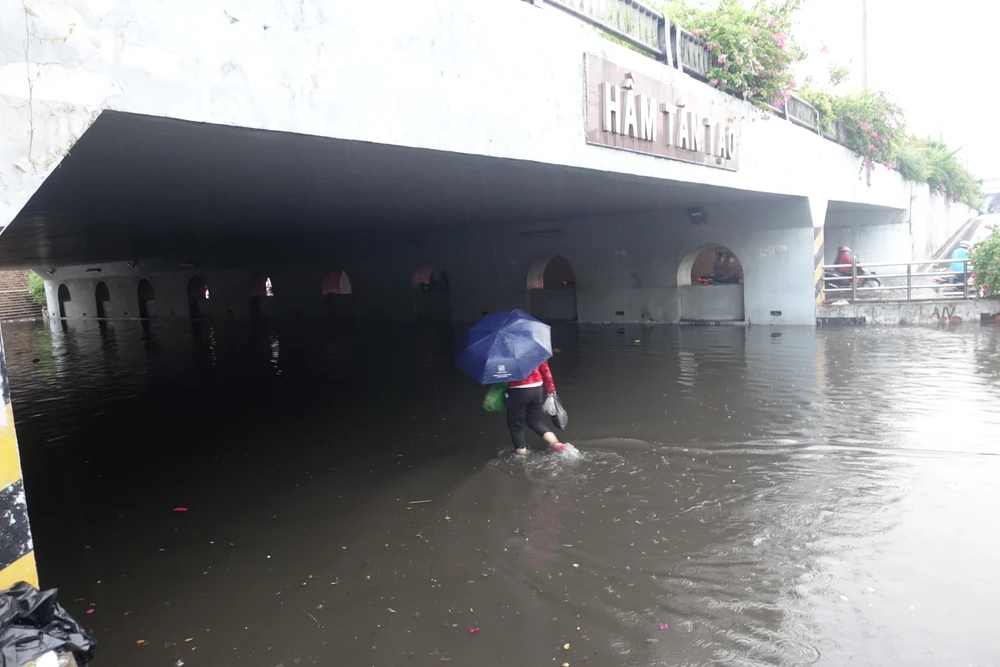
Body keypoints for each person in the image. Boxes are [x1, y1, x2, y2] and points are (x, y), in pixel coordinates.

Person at [506, 360, 565, 456]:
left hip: (518, 390)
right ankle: (555, 443)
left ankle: (522, 455)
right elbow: (546, 371)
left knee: (516, 424)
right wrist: (551, 390)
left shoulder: (507, 355)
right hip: (537, 389)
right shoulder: (535, 351)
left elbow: (504, 375)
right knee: (534, 421)